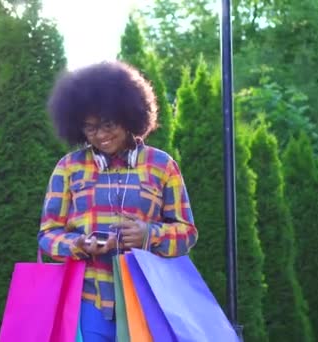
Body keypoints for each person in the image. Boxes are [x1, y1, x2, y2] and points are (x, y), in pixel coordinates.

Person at [38, 61, 198, 341]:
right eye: (90, 128)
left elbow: (187, 233)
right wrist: (78, 244)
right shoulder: (68, 167)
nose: (100, 135)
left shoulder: (162, 165)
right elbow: (47, 234)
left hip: (148, 301)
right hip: (88, 301)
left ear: (127, 115)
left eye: (108, 124)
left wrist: (148, 235)